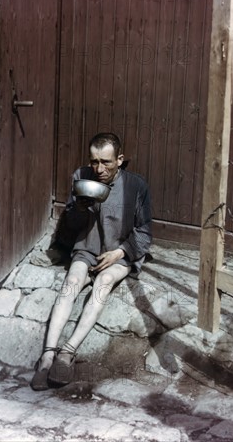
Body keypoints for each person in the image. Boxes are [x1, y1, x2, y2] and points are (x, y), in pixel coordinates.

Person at [31, 132, 152, 390]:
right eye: (94, 161)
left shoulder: (136, 186)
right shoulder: (81, 176)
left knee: (104, 283)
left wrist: (120, 253)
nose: (99, 169)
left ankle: (67, 353)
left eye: (106, 162)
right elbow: (71, 225)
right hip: (88, 246)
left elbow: (144, 232)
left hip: (119, 252)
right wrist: (80, 208)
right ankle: (47, 356)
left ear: (120, 159)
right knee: (71, 283)